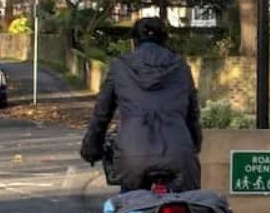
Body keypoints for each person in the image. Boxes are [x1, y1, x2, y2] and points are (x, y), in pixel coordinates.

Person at [80, 17, 203, 192]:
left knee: (129, 211)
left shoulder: (120, 67)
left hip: (132, 156)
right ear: (165, 41)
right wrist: (194, 145)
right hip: (179, 153)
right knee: (187, 206)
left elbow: (102, 114)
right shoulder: (181, 67)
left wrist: (91, 148)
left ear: (133, 42)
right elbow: (192, 115)